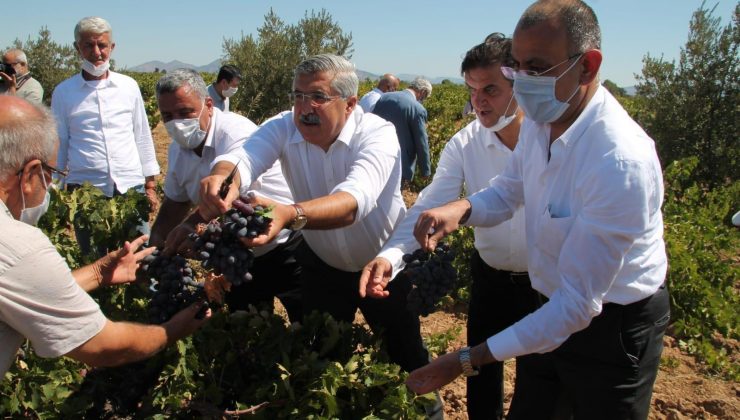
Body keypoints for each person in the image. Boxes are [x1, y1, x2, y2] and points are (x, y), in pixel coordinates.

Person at [405, 1, 670, 419]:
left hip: (611, 329)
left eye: (538, 68)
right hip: (548, 308)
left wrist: (465, 360)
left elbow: (577, 307)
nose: (524, 82)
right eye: (517, 68)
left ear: (587, 66)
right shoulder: (542, 123)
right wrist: (463, 209)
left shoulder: (618, 162)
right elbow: (510, 191)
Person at [198, 54, 441, 417]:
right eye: (297, 96)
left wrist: (290, 215)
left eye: (317, 97)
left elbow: (353, 202)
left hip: (383, 270)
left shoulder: (378, 134)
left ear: (351, 103)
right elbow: (244, 157)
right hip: (322, 267)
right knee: (323, 362)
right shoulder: (284, 127)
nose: (303, 108)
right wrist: (222, 177)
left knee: (407, 358)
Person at [360, 35, 541, 420]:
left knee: (539, 383)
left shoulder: (549, 138)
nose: (478, 100)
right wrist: (391, 257)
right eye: (472, 89)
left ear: (519, 84)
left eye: (490, 88)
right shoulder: (464, 144)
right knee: (480, 373)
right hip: (491, 277)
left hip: (544, 283)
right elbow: (428, 205)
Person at [0, 95, 208, 378]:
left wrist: (98, 273)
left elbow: (23, 288)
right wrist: (174, 329)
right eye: (52, 174)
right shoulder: (17, 245)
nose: (48, 187)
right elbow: (104, 346)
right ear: (31, 173)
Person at [149, 69, 302, 322]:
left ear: (208, 105)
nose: (176, 122)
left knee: (307, 326)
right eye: (167, 116)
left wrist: (190, 225)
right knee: (247, 329)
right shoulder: (178, 151)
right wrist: (155, 248)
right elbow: (174, 204)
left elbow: (226, 193)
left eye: (185, 112)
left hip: (287, 244)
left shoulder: (236, 132)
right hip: (236, 257)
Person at [51, 16, 159, 257]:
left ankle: (147, 292)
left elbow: (141, 134)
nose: (97, 52)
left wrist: (150, 184)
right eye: (89, 45)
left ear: (112, 47)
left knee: (141, 253)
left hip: (130, 186)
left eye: (102, 45)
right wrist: (55, 190)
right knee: (95, 259)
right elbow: (60, 142)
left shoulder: (128, 86)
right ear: (77, 48)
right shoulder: (64, 92)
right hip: (87, 190)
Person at [372, 77, 432, 184]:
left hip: (375, 157)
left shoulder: (384, 97)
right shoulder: (417, 108)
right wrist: (425, 170)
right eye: (425, 96)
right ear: (422, 92)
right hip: (400, 163)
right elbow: (421, 142)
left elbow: (372, 124)